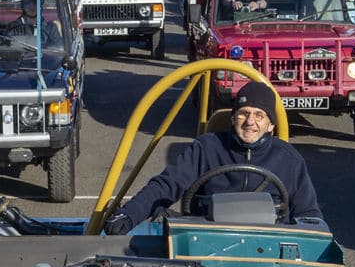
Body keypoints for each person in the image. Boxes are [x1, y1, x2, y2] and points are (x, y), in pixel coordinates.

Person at [106, 80, 321, 230]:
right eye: (244, 113)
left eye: (259, 115)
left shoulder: (288, 159)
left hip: (269, 244)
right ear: (233, 117)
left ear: (270, 124)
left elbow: (308, 213)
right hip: (208, 240)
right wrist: (130, 213)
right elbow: (166, 184)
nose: (250, 122)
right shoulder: (207, 147)